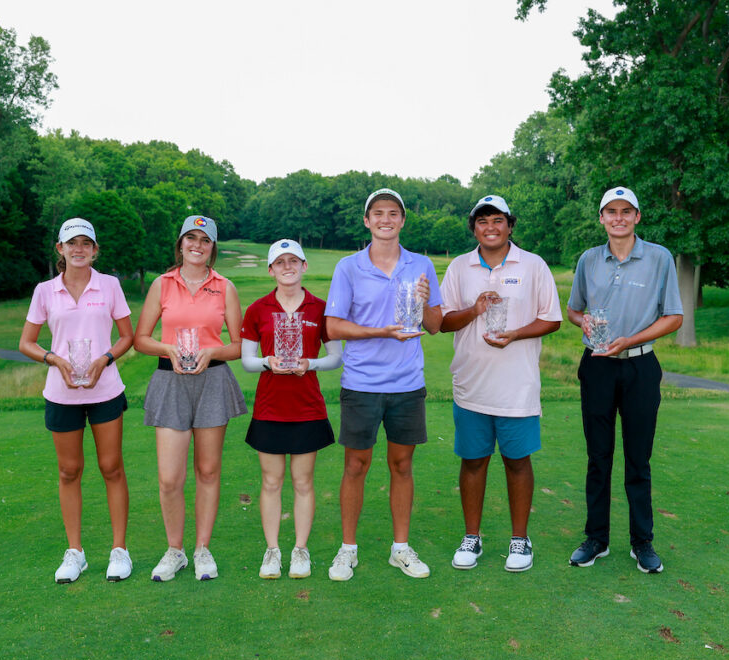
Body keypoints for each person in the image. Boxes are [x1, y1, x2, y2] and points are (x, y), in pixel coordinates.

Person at [324, 187, 443, 581]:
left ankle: (400, 548)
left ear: (402, 220)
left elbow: (435, 325)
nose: (385, 219)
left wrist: (425, 300)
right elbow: (333, 326)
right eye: (378, 213)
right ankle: (348, 549)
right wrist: (382, 331)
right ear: (367, 220)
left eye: (393, 213)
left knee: (402, 465)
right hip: (362, 382)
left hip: (407, 383)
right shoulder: (349, 267)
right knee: (356, 465)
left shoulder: (421, 264)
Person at [439, 195, 561, 572]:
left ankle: (520, 539)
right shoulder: (459, 267)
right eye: (482, 221)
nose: (490, 227)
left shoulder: (533, 265)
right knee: (473, 461)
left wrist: (516, 334)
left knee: (517, 462)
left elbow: (552, 318)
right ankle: (471, 537)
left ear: (510, 225)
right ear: (473, 228)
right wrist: (475, 309)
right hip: (471, 385)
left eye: (497, 220)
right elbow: (443, 322)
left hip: (517, 387)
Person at [566, 187, 683, 574]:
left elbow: (674, 317)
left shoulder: (659, 258)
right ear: (601, 218)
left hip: (640, 366)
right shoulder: (588, 259)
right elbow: (574, 310)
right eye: (611, 212)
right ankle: (596, 539)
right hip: (597, 365)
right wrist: (584, 321)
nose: (618, 218)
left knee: (638, 459)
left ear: (637, 216)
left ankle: (642, 542)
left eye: (626, 211)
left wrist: (629, 340)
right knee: (598, 457)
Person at [19, 218, 135, 584]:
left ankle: (119, 550)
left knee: (111, 467)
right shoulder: (45, 291)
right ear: (61, 249)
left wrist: (105, 359)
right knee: (69, 471)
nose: (79, 249)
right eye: (72, 243)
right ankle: (76, 553)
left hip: (105, 389)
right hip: (61, 392)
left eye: (86, 243)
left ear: (95, 250)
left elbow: (126, 336)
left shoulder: (110, 285)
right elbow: (26, 343)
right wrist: (54, 359)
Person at [134, 215, 246, 582]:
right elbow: (141, 339)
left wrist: (212, 352)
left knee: (208, 471)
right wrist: (167, 348)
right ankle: (175, 551)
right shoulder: (162, 284)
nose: (197, 245)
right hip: (171, 381)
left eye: (205, 240)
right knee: (169, 478)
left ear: (212, 247)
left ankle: (202, 549)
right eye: (191, 238)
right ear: (180, 244)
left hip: (213, 381)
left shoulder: (225, 287)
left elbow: (238, 345)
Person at [240, 239, 343, 580]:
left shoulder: (321, 308)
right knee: (271, 482)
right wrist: (267, 362)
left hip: (307, 408)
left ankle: (300, 549)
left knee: (303, 482)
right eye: (280, 262)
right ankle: (272, 550)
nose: (287, 267)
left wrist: (310, 363)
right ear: (271, 270)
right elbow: (247, 361)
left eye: (293, 261)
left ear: (304, 266)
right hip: (269, 407)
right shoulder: (257, 309)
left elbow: (335, 358)